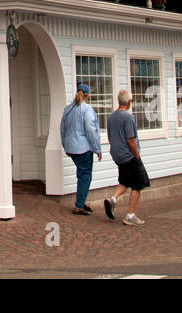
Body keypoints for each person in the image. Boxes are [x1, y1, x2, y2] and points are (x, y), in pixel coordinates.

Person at [103, 88, 150, 226]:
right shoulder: (129, 118)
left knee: (125, 180)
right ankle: (130, 215)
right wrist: (137, 155)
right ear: (129, 102)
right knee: (138, 183)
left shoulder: (111, 117)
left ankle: (113, 199)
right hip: (129, 155)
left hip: (117, 155)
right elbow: (131, 139)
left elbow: (111, 138)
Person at [60, 83, 101, 215]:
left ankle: (81, 201)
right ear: (87, 95)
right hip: (84, 148)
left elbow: (62, 129)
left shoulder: (68, 109)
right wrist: (97, 148)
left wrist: (65, 144)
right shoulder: (86, 109)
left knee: (82, 174)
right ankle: (79, 205)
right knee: (85, 176)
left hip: (71, 147)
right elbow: (91, 130)